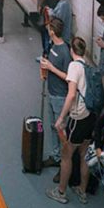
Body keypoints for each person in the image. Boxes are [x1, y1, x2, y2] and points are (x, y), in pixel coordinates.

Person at [46, 35, 93, 207]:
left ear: (72, 50)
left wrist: (61, 117)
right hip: (90, 116)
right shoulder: (88, 66)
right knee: (84, 154)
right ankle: (82, 190)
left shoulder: (74, 66)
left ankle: (60, 192)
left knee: (67, 155)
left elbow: (71, 94)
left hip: (78, 117)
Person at [39, 16, 72, 173]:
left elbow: (68, 77)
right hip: (51, 92)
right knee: (53, 127)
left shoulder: (65, 51)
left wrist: (51, 68)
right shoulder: (53, 46)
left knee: (61, 130)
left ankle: (65, 162)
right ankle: (56, 156)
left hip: (60, 96)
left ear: (52, 31)